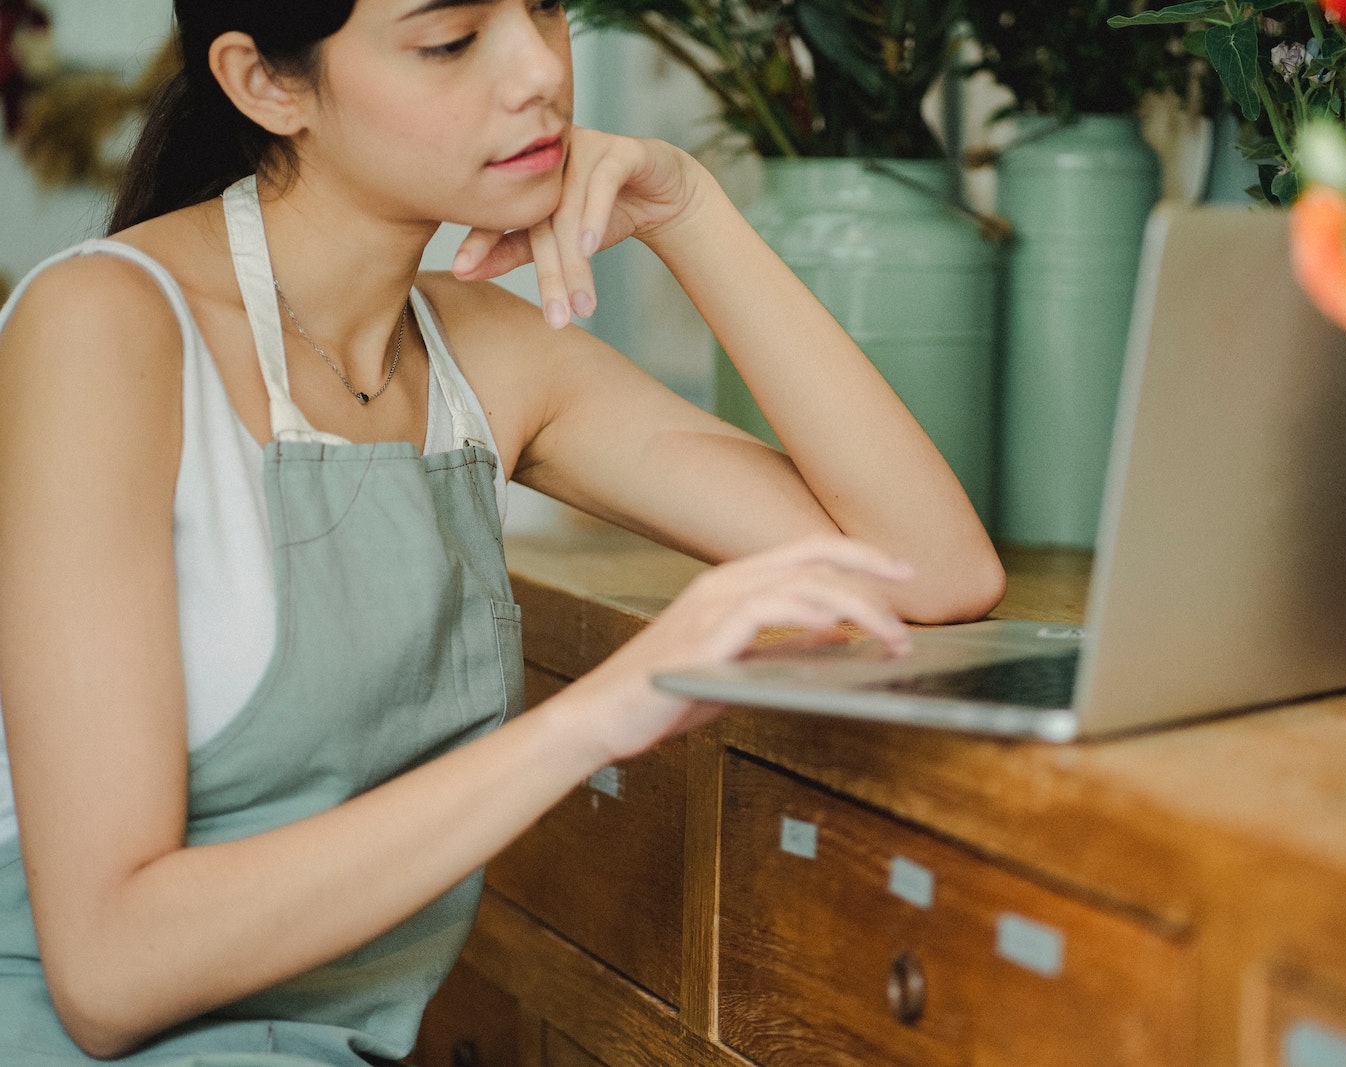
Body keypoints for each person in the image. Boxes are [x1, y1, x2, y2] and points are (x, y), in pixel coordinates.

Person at [0, 1, 1004, 1064]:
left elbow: (932, 571)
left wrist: (690, 209)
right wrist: (600, 712)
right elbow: (109, 972)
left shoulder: (489, 353)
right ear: (266, 84)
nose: (537, 71)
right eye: (449, 41)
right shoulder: (102, 324)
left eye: (543, 9)